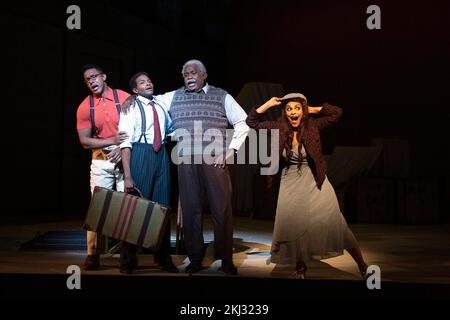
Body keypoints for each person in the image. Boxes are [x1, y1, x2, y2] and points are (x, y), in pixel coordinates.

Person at [246, 93, 368, 279]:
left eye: (297, 108)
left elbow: (336, 113)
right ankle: (300, 268)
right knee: (295, 225)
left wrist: (310, 109)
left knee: (335, 223)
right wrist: (269, 104)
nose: (293, 113)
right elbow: (252, 122)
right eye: (289, 109)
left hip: (315, 181)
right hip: (290, 182)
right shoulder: (278, 127)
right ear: (285, 113)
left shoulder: (313, 126)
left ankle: (362, 266)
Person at [158, 59, 250, 275]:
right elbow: (148, 102)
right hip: (186, 160)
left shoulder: (221, 95)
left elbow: (243, 122)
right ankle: (196, 258)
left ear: (204, 75)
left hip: (214, 159)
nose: (189, 76)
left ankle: (226, 259)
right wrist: (129, 99)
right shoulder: (173, 96)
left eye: (193, 72)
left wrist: (232, 150)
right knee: (191, 210)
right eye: (185, 73)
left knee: (222, 209)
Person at [118, 72, 178, 274]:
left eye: (149, 80)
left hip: (161, 155)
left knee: (162, 208)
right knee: (135, 209)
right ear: (135, 90)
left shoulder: (160, 105)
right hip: (141, 153)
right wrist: (127, 175)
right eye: (142, 82)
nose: (148, 83)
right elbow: (125, 143)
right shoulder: (130, 107)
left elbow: (169, 130)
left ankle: (163, 258)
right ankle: (127, 260)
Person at [76, 64, 129, 270]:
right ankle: (93, 254)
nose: (91, 81)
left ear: (104, 76)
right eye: (87, 80)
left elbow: (138, 126)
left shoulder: (123, 97)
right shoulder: (85, 106)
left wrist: (122, 146)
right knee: (97, 208)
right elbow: (84, 141)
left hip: (125, 158)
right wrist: (111, 141)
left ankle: (127, 254)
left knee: (128, 207)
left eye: (94, 77)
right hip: (100, 161)